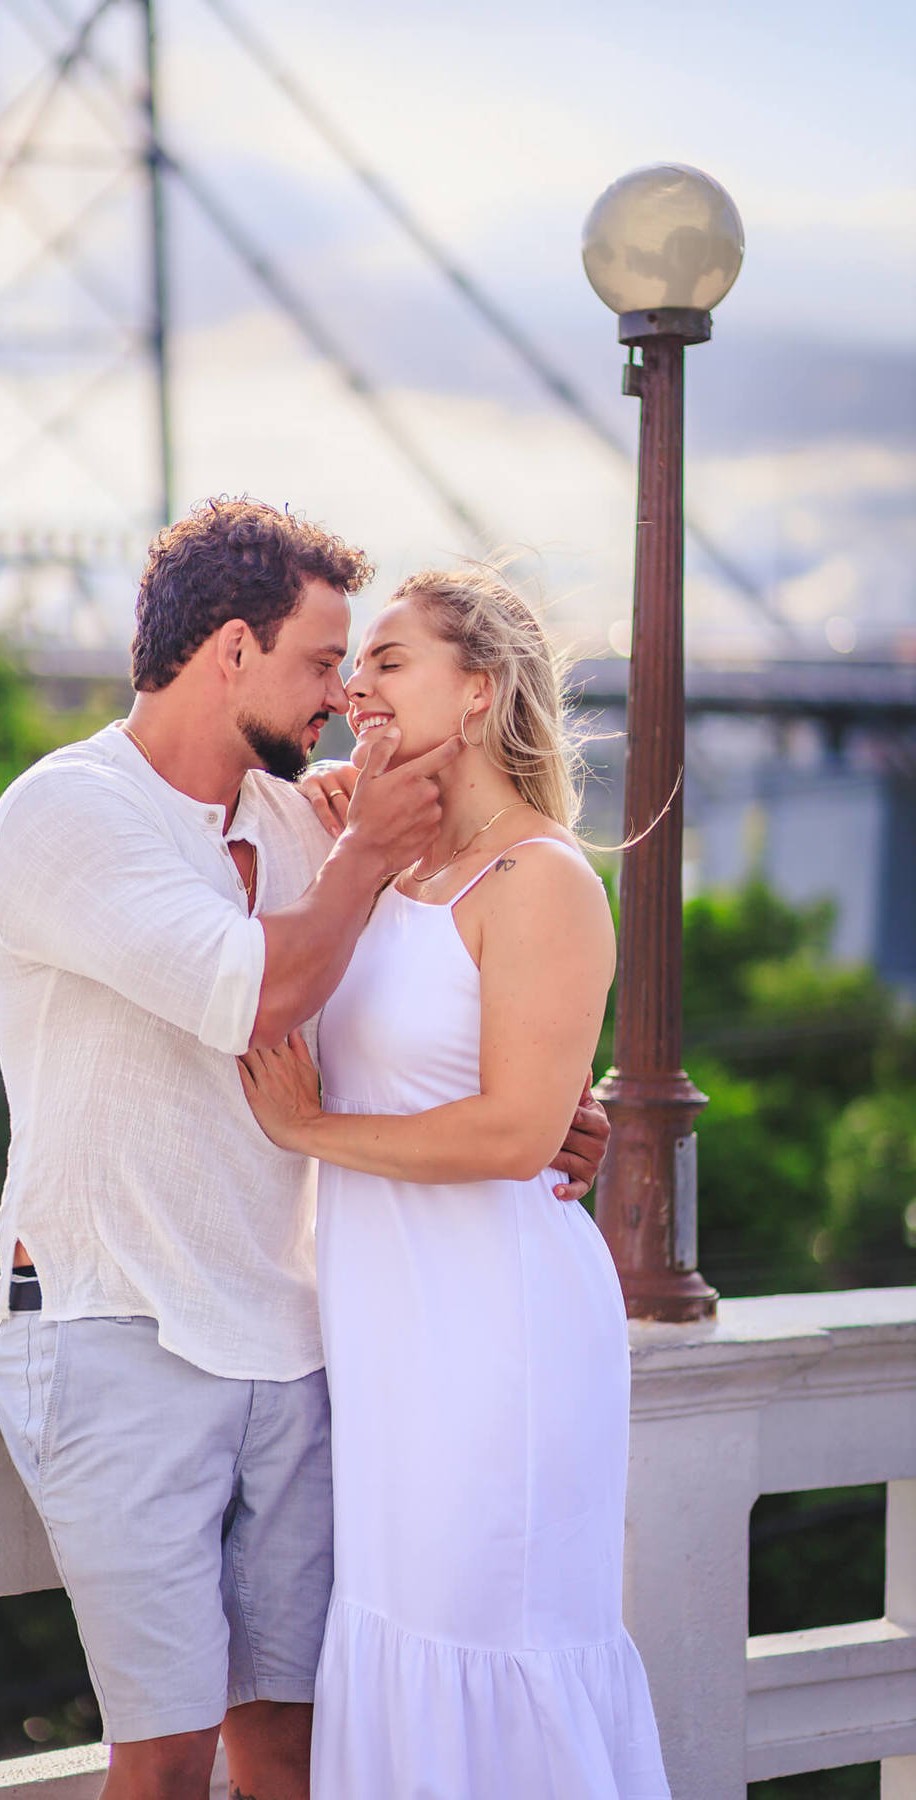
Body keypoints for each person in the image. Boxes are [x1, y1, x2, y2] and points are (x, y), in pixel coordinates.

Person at [0, 501, 611, 1800]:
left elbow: (451, 965)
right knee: (160, 1755)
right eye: (326, 663)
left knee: (294, 1744)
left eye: (365, 664)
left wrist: (552, 1108)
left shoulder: (299, 818)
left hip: (304, 1342)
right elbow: (259, 992)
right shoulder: (68, 814)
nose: (341, 699)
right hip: (123, 1329)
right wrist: (367, 850)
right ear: (230, 653)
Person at [238, 566, 671, 1799]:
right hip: (390, 1332)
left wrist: (312, 1131)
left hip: (498, 1333)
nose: (356, 685)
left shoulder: (540, 881)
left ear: (476, 694)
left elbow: (518, 1130)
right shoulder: (379, 858)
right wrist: (348, 814)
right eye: (354, 665)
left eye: (388, 661)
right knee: (396, 1632)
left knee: (488, 1636)